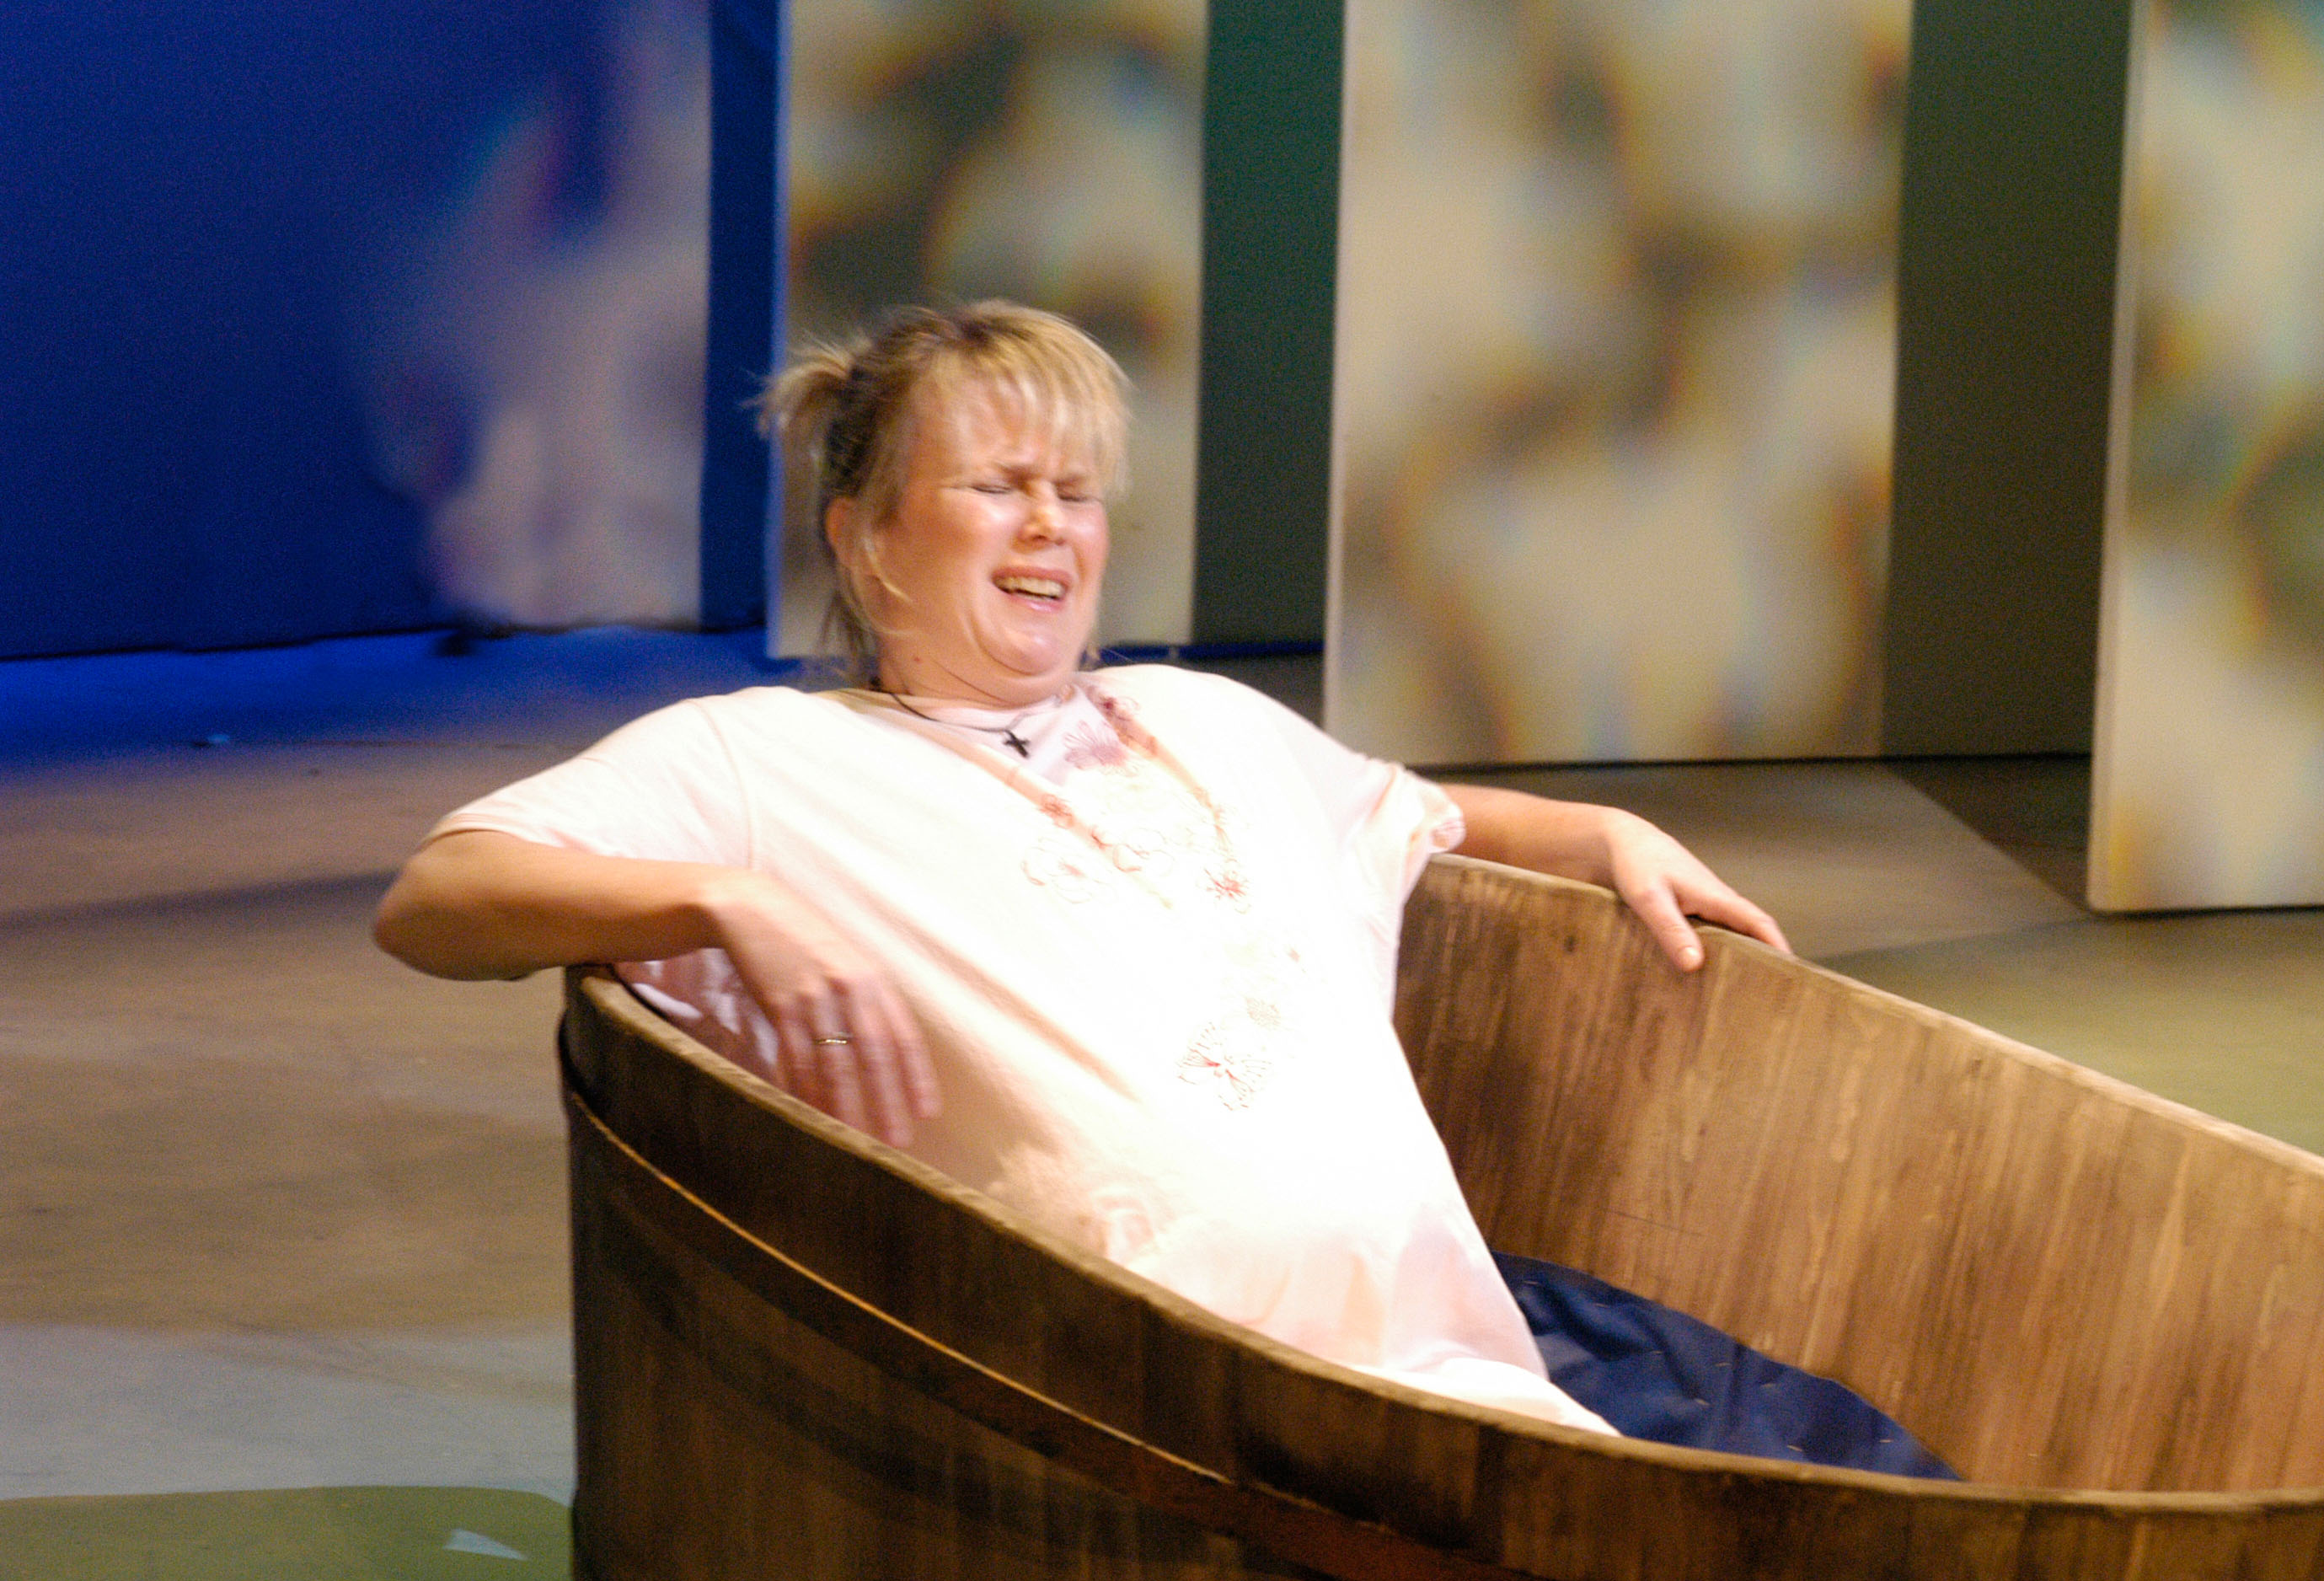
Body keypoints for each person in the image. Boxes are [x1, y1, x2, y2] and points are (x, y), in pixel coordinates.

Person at [375, 300, 1793, 1436]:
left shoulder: (1203, 715)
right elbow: (438, 901)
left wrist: (1602, 834)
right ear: (865, 537)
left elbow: (1411, 811)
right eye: (997, 488)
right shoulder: (760, 762)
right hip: (1136, 1437)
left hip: (1457, 1379)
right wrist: (725, 898)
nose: (1051, 523)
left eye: (1075, 490)